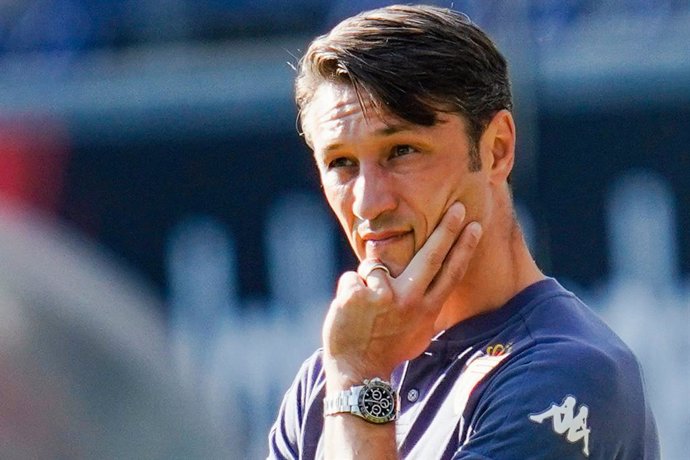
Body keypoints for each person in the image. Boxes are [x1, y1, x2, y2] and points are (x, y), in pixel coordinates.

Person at [268, 4, 659, 459]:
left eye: (402, 151)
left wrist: (360, 384)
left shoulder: (571, 374)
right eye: (341, 163)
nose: (368, 202)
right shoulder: (324, 382)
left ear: (496, 149)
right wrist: (352, 377)